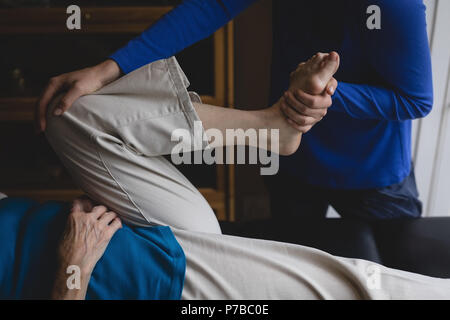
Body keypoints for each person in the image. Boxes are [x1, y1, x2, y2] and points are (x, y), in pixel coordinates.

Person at [38, 54, 449, 300]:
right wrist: (70, 272)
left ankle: (270, 128)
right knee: (349, 287)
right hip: (162, 283)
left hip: (155, 236)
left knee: (70, 113)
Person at [35, 0, 433, 221]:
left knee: (399, 280)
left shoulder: (395, 6)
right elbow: (212, 5)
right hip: (292, 151)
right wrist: (108, 70)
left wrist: (325, 90)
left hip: (371, 170)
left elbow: (415, 99)